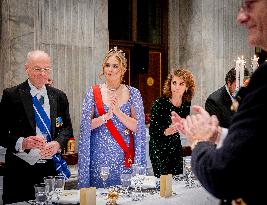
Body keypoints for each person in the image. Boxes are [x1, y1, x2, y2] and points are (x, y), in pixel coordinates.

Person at [171, 2, 267, 204]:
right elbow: (257, 144)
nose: (240, 17)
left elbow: (225, 174)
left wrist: (199, 140)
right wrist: (217, 134)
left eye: (249, 4)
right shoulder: (215, 99)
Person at [0, 50, 73, 204]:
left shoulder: (59, 96)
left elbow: (66, 129)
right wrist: (22, 142)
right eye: (37, 69)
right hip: (20, 172)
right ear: (27, 68)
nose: (42, 73)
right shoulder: (12, 95)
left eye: (46, 69)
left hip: (50, 170)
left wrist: (57, 143)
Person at [78, 47, 146, 188]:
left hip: (124, 157)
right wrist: (106, 117)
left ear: (123, 70)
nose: (110, 69)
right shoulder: (93, 92)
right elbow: (85, 126)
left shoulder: (133, 93)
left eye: (115, 66)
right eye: (107, 65)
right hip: (99, 158)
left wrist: (118, 113)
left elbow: (138, 127)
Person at [149, 68, 195, 178]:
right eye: (174, 83)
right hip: (158, 148)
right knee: (164, 184)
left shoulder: (186, 103)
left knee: (177, 184)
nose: (177, 87)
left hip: (175, 145)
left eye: (181, 84)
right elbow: (152, 132)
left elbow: (184, 121)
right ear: (170, 84)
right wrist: (166, 131)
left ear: (187, 87)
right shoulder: (159, 104)